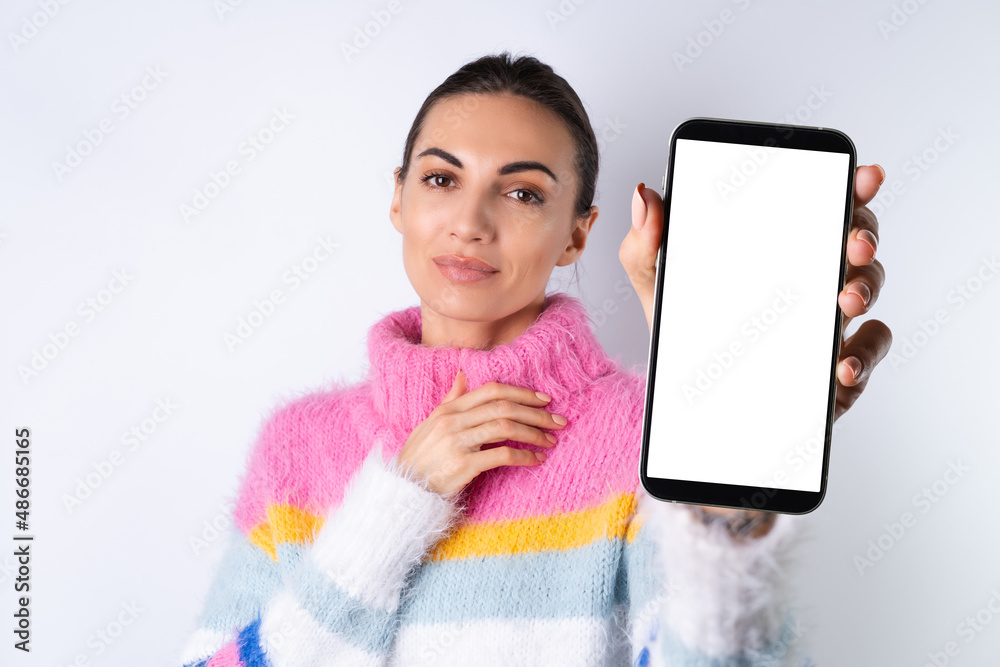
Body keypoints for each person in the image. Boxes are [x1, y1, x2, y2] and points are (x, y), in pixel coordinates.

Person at [178, 51, 890, 667]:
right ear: (397, 198)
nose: (470, 221)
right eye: (440, 178)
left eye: (521, 192)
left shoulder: (652, 433)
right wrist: (394, 506)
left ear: (577, 235)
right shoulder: (298, 446)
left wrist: (726, 490)